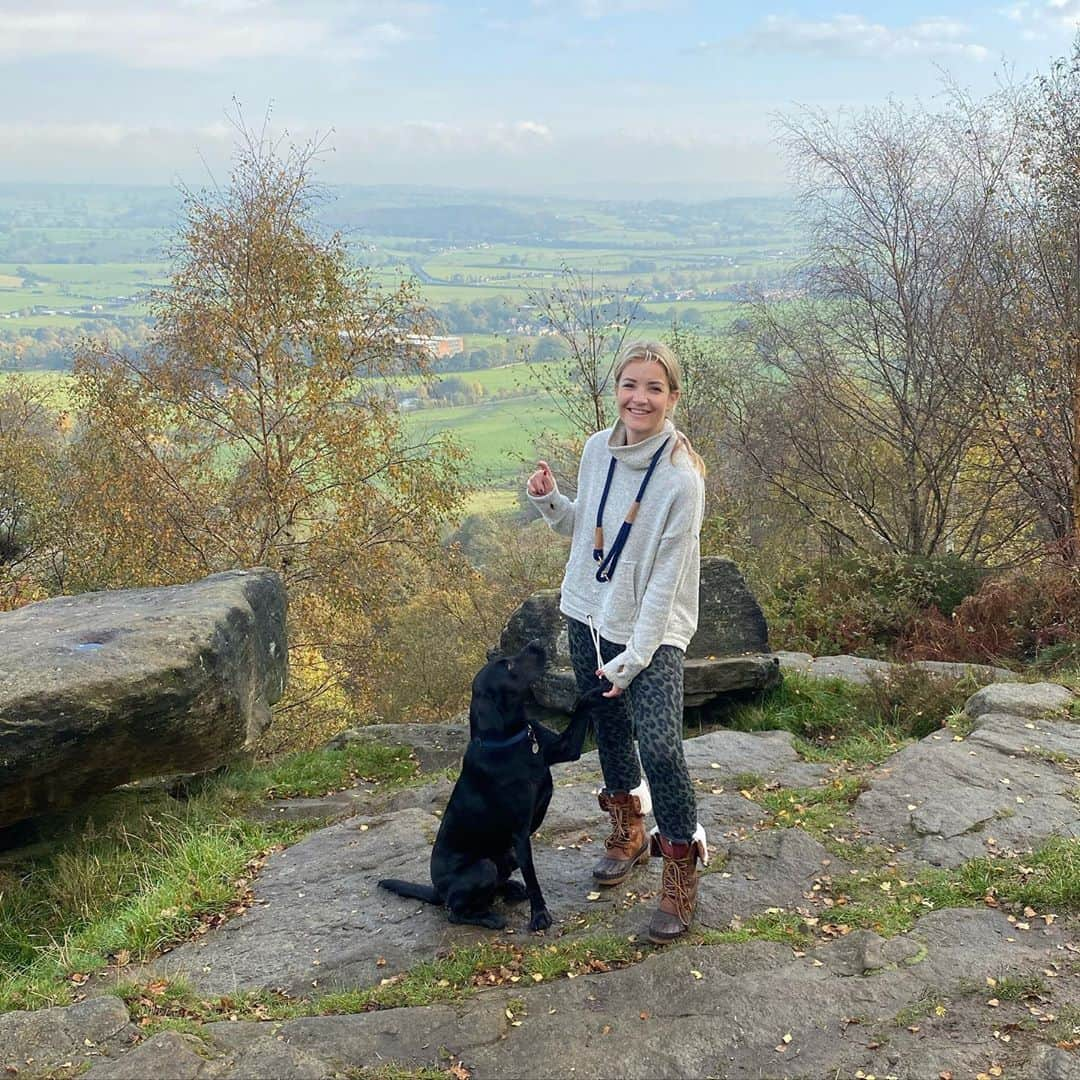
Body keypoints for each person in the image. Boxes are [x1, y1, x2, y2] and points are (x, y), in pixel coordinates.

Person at [526, 340, 707, 943]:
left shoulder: (682, 479)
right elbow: (591, 531)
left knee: (659, 745)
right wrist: (551, 502)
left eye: (654, 388)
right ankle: (628, 828)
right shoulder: (596, 449)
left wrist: (634, 658)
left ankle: (679, 865)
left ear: (672, 397)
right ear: (617, 390)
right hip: (587, 610)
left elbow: (666, 579)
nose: (640, 398)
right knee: (605, 724)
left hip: (652, 630)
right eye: (631, 385)